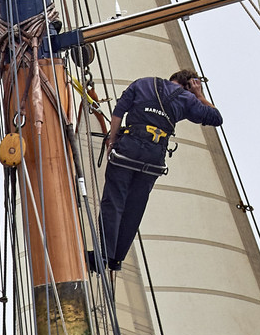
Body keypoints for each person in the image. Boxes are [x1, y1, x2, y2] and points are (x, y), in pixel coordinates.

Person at [93, 68, 223, 273]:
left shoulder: (143, 82)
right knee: (135, 208)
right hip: (153, 159)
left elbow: (119, 111)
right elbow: (216, 117)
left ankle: (103, 254)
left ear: (173, 77)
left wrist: (112, 139)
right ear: (189, 84)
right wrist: (199, 95)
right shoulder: (188, 99)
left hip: (128, 149)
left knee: (114, 200)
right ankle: (117, 259)